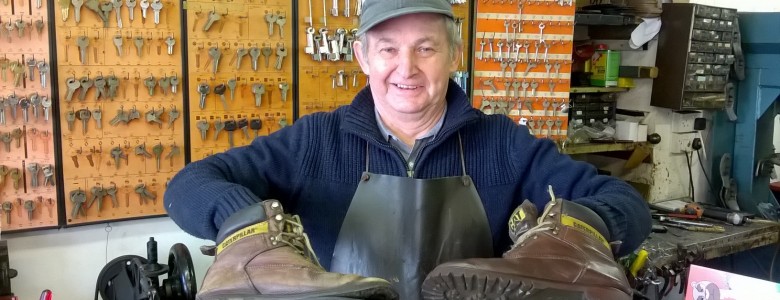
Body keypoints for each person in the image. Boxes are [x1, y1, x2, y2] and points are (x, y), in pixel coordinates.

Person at [165, 0, 651, 299]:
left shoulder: (503, 143)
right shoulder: (314, 142)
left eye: (426, 48)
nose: (406, 69)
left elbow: (626, 205)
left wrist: (571, 237)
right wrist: (249, 233)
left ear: (454, 56)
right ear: (362, 58)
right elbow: (189, 186)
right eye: (388, 49)